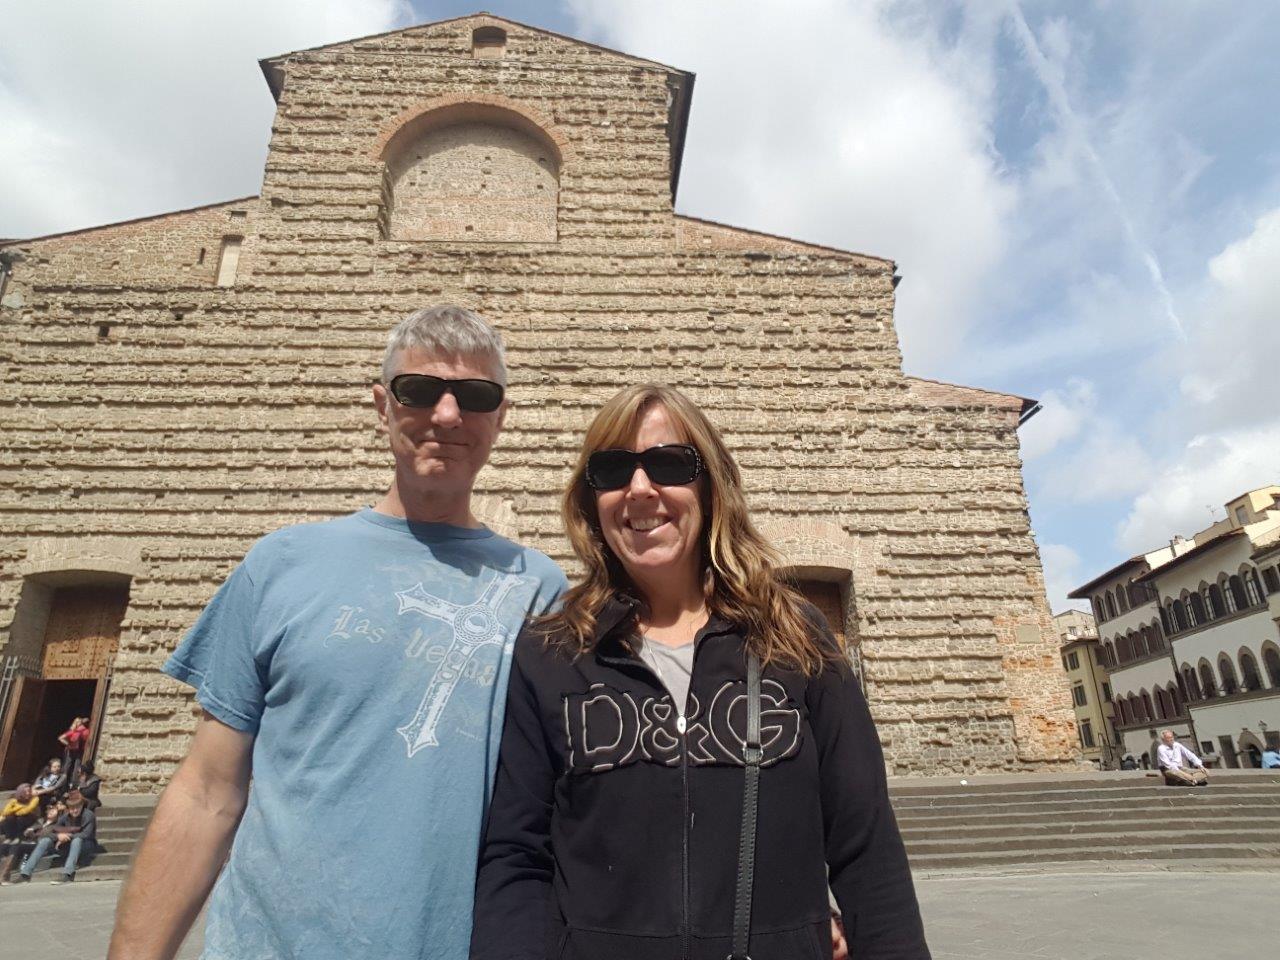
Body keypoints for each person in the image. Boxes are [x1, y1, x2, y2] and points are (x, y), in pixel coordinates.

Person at [109, 306, 566, 960]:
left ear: (501, 417)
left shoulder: (540, 590)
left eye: (475, 396)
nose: (446, 415)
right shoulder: (280, 565)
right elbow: (206, 791)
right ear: (382, 405)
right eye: (418, 391)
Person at [471, 384, 930, 960]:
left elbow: (867, 845)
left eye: (668, 464)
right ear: (592, 500)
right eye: (613, 470)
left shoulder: (794, 636)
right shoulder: (552, 652)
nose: (639, 489)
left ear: (711, 486)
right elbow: (517, 857)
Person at [11, 789, 96, 884]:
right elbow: (52, 830)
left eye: (77, 807)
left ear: (82, 806)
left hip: (86, 845)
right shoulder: (65, 817)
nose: (75, 810)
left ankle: (68, 874)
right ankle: (25, 874)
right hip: (66, 845)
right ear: (68, 808)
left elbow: (86, 834)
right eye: (72, 808)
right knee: (45, 840)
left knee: (77, 839)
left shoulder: (89, 815)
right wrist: (58, 836)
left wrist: (68, 835)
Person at [1, 799, 60, 884]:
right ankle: (4, 875)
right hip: (31, 844)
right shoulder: (40, 822)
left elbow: (52, 836)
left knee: (16, 846)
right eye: (49, 809)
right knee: (10, 846)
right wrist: (28, 832)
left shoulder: (57, 824)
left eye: (54, 810)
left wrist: (35, 834)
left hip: (44, 846)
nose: (50, 811)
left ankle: (5, 876)